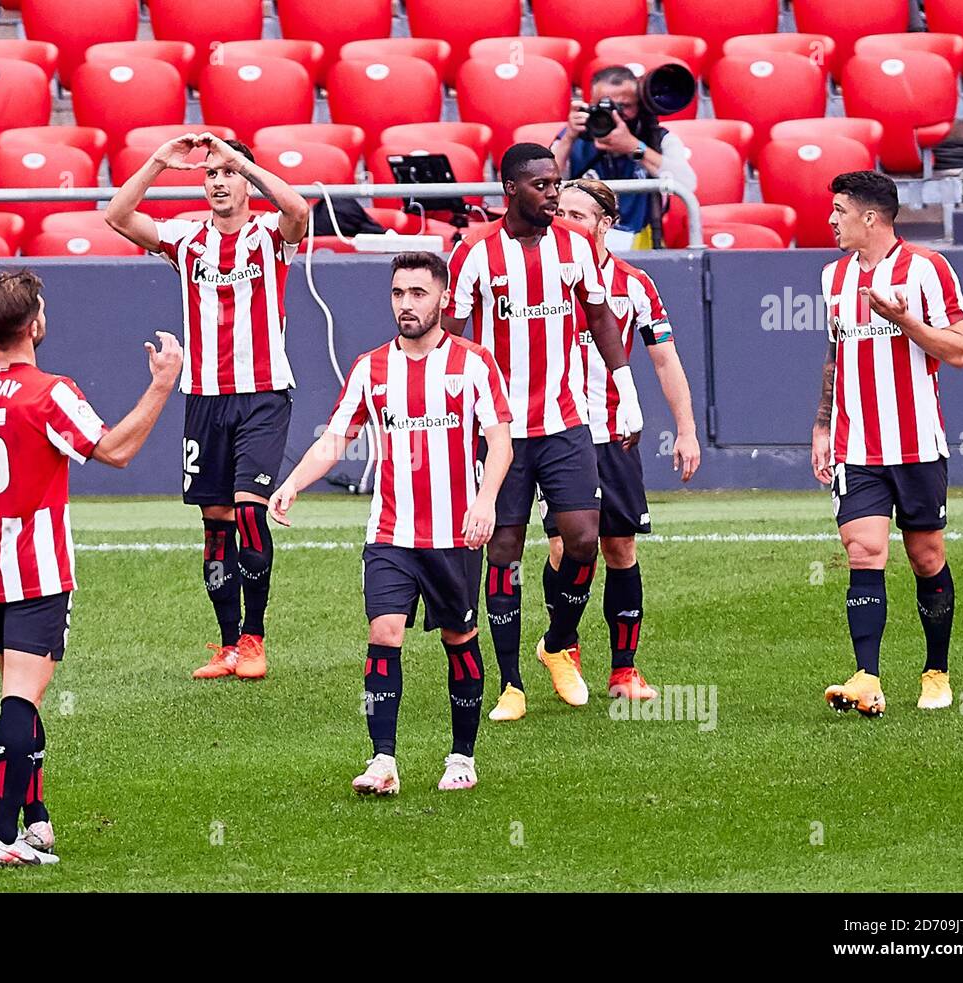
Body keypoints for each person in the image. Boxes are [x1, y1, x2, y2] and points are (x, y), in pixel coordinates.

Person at [0, 270, 182, 866]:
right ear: (35, 324)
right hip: (37, 574)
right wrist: (162, 385)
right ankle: (1, 837)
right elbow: (115, 451)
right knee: (19, 700)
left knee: (24, 696)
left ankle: (35, 819)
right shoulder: (49, 391)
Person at [270, 251, 514, 795]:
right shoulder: (370, 368)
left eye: (419, 294)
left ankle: (461, 757)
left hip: (455, 532)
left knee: (459, 637)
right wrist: (291, 483)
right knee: (384, 633)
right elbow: (337, 438)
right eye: (399, 294)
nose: (407, 304)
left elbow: (500, 440)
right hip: (389, 533)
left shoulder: (474, 363)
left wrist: (486, 500)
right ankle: (383, 760)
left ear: (443, 299)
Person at [443, 143, 643, 724]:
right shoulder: (475, 253)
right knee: (502, 550)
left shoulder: (576, 245)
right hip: (501, 429)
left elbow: (600, 316)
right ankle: (510, 684)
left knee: (582, 539)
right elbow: (452, 336)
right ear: (511, 189)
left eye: (557, 184)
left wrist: (624, 389)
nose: (554, 194)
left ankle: (557, 642)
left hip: (566, 420)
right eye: (542, 185)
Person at [105, 133, 310, 682]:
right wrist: (157, 162)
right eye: (210, 174)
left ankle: (254, 638)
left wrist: (242, 159)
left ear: (245, 177)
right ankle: (226, 645)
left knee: (249, 510)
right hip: (203, 398)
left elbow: (299, 209)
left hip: (263, 393)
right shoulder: (186, 239)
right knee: (216, 522)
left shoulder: (271, 235)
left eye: (228, 173)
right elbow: (118, 214)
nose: (219, 182)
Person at [812, 172, 963, 718]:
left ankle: (936, 671)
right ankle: (867, 677)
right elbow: (834, 356)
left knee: (926, 557)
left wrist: (905, 322)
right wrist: (821, 424)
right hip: (856, 447)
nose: (831, 220)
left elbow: (960, 350)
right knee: (864, 551)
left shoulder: (928, 268)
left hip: (918, 443)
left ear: (870, 217)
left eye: (838, 211)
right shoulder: (833, 277)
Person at [539, 180, 701, 699]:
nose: (564, 223)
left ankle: (624, 671)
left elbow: (663, 357)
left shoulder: (634, 284)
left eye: (577, 215)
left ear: (605, 223)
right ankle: (564, 649)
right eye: (558, 212)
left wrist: (687, 429)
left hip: (615, 434)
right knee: (566, 545)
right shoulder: (539, 275)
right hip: (558, 431)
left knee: (620, 545)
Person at [550, 65, 697, 250]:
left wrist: (634, 147)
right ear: (590, 103)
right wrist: (569, 138)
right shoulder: (574, 135)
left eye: (625, 106)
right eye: (604, 104)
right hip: (580, 242)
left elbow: (687, 184)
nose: (615, 114)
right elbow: (546, 182)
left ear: (640, 105)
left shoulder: (656, 138)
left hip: (640, 242)